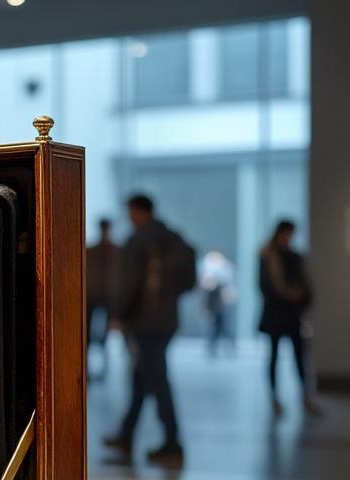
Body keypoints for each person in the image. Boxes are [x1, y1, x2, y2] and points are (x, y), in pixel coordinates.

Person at [103, 194, 196, 464]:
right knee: (142, 378)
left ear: (137, 211)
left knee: (156, 380)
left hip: (143, 321)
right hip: (167, 319)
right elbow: (188, 282)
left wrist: (118, 313)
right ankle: (127, 433)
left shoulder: (138, 241)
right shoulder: (174, 239)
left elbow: (129, 283)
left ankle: (172, 441)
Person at [258, 220, 319, 418]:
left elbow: (305, 284)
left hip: (293, 314)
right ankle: (274, 398)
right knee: (274, 357)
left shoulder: (294, 257)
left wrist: (300, 296)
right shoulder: (268, 257)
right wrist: (288, 294)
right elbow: (265, 287)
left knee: (300, 357)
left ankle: (305, 396)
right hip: (276, 314)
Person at [84, 218, 118, 381]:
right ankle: (89, 369)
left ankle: (101, 370)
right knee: (88, 335)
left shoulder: (114, 251)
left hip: (105, 296)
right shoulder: (94, 251)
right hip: (94, 296)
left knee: (104, 336)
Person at [198, 250, 236, 357]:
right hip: (212, 302)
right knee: (212, 326)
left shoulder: (226, 268)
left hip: (222, 303)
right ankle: (212, 348)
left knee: (225, 325)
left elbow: (229, 286)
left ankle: (228, 347)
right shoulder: (206, 267)